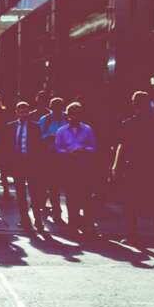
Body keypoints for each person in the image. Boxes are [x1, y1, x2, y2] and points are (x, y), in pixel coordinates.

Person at [112, 91, 154, 240]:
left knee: (130, 201)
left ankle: (132, 234)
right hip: (153, 165)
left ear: (134, 103)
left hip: (133, 166)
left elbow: (122, 146)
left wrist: (116, 166)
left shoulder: (128, 123)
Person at [55, 102, 99, 235]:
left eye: (77, 114)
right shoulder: (61, 131)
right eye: (72, 114)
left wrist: (84, 150)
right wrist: (67, 152)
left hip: (84, 165)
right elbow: (58, 148)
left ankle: (88, 225)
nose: (74, 117)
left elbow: (93, 146)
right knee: (71, 196)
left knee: (86, 196)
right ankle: (72, 225)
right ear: (67, 116)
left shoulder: (87, 129)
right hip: (69, 166)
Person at [7, 101, 46, 233]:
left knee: (35, 192)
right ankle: (24, 219)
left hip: (32, 163)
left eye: (25, 111)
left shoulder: (36, 127)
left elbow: (40, 146)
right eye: (20, 111)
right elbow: (7, 147)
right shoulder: (10, 127)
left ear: (29, 112)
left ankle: (38, 219)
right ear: (16, 112)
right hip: (18, 163)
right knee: (20, 193)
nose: (23, 113)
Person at [38, 97, 69, 222]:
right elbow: (38, 136)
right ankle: (55, 211)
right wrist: (48, 136)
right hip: (48, 154)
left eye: (59, 109)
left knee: (61, 185)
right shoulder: (44, 120)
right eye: (54, 109)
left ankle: (61, 211)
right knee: (52, 184)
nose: (56, 112)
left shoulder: (67, 118)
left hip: (65, 155)